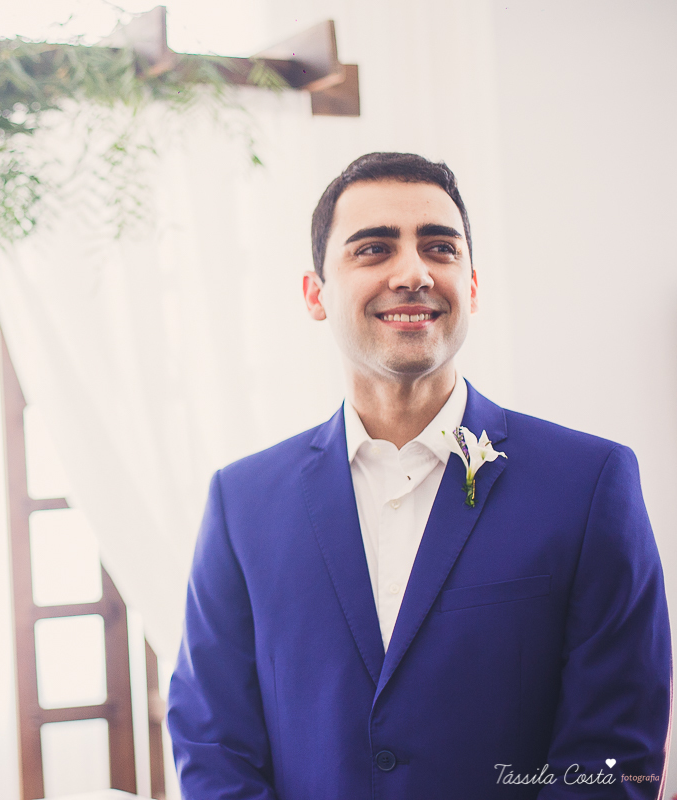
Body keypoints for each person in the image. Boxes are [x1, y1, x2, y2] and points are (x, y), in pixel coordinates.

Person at [167, 153, 671, 798]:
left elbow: (616, 749)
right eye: (374, 250)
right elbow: (212, 742)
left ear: (474, 285)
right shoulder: (242, 503)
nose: (413, 273)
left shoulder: (591, 483)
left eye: (439, 248)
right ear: (315, 295)